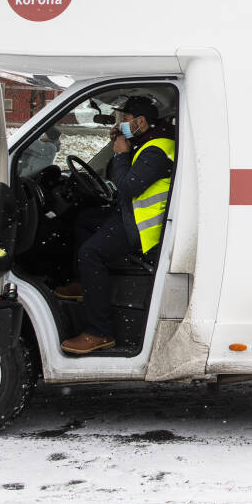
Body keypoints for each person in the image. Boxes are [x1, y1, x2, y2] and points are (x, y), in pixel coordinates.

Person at [58, 95, 176, 354]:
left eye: (125, 119)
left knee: (90, 253)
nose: (120, 123)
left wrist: (122, 154)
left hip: (145, 227)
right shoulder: (148, 139)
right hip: (131, 214)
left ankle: (99, 332)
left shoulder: (157, 149)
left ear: (141, 121)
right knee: (84, 221)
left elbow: (128, 186)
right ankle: (85, 284)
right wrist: (123, 141)